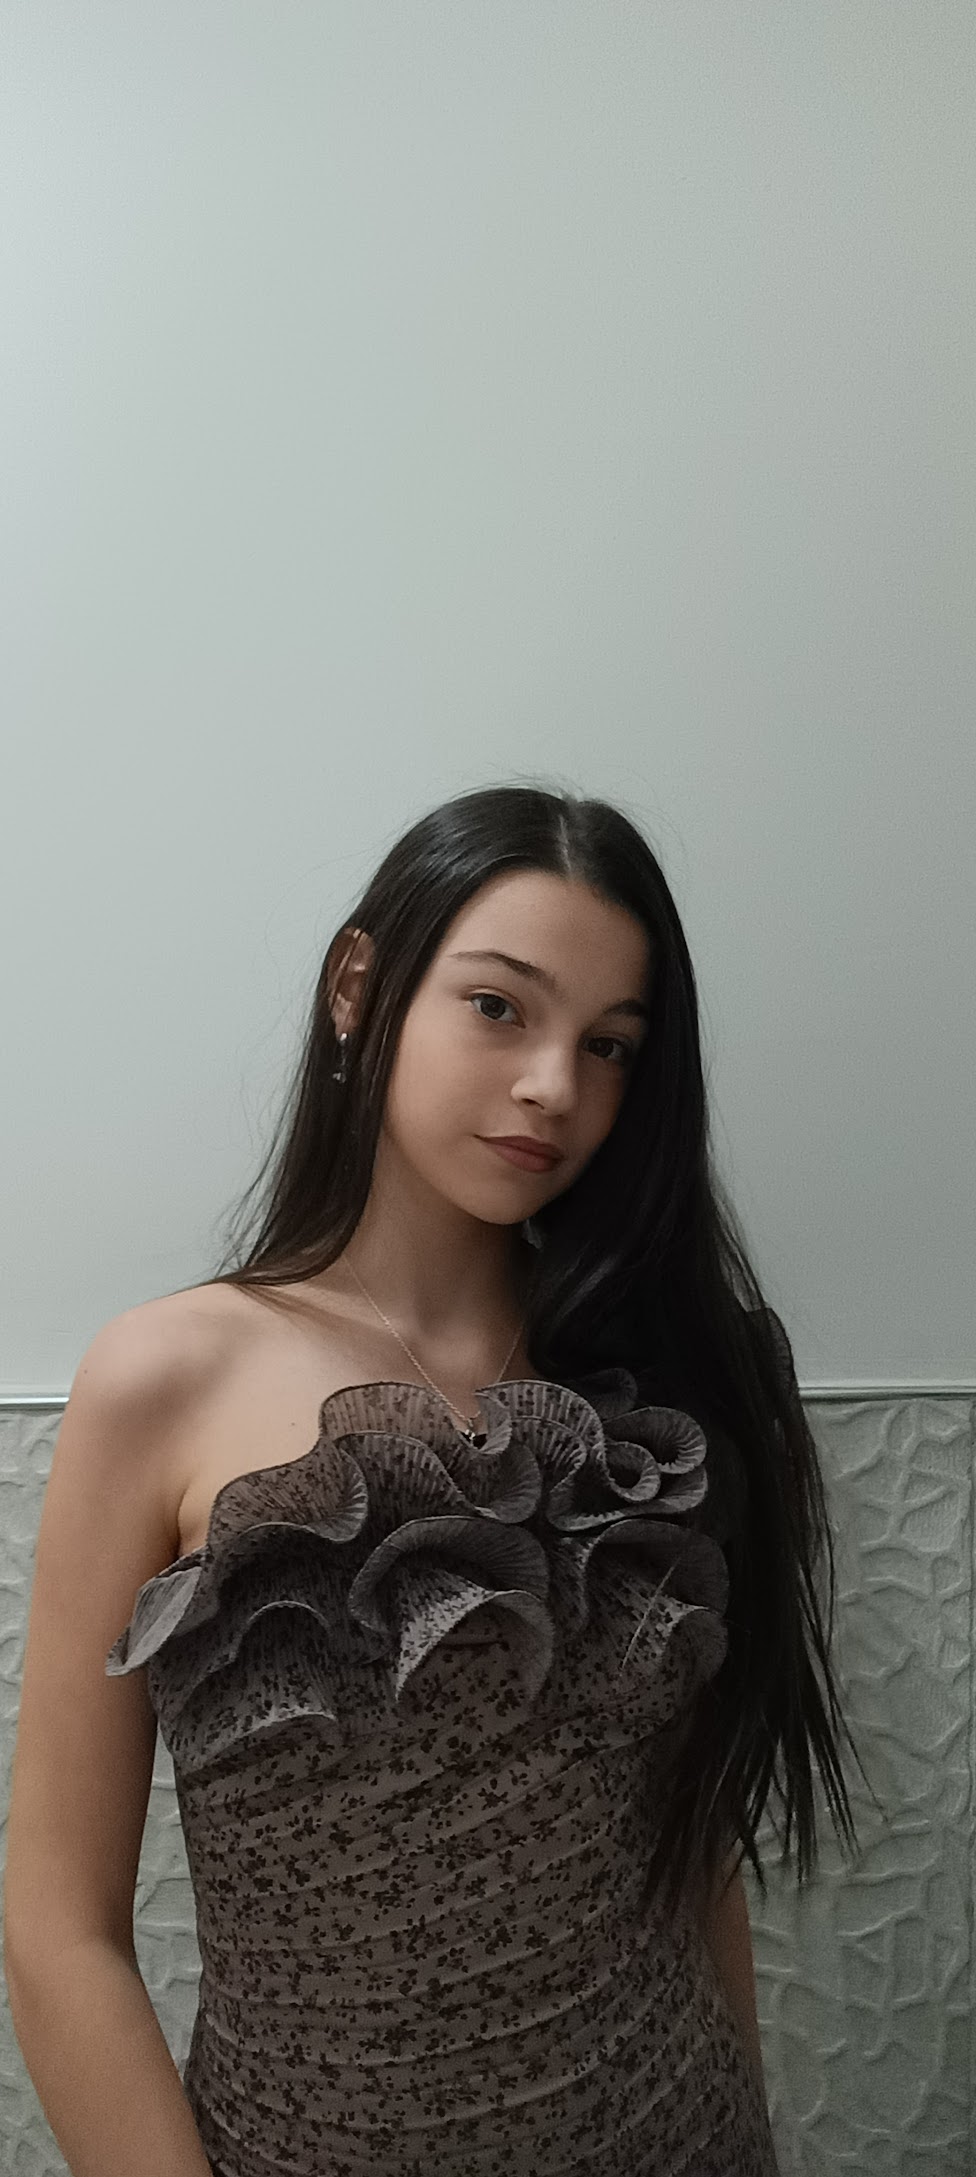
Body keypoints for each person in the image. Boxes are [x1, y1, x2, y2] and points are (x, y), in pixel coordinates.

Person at [4, 781, 867, 2177]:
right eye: (499, 1006)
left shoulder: (666, 1378)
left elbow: (691, 1844)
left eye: (610, 1045)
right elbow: (58, 1928)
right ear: (360, 987)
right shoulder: (164, 1378)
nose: (555, 1087)